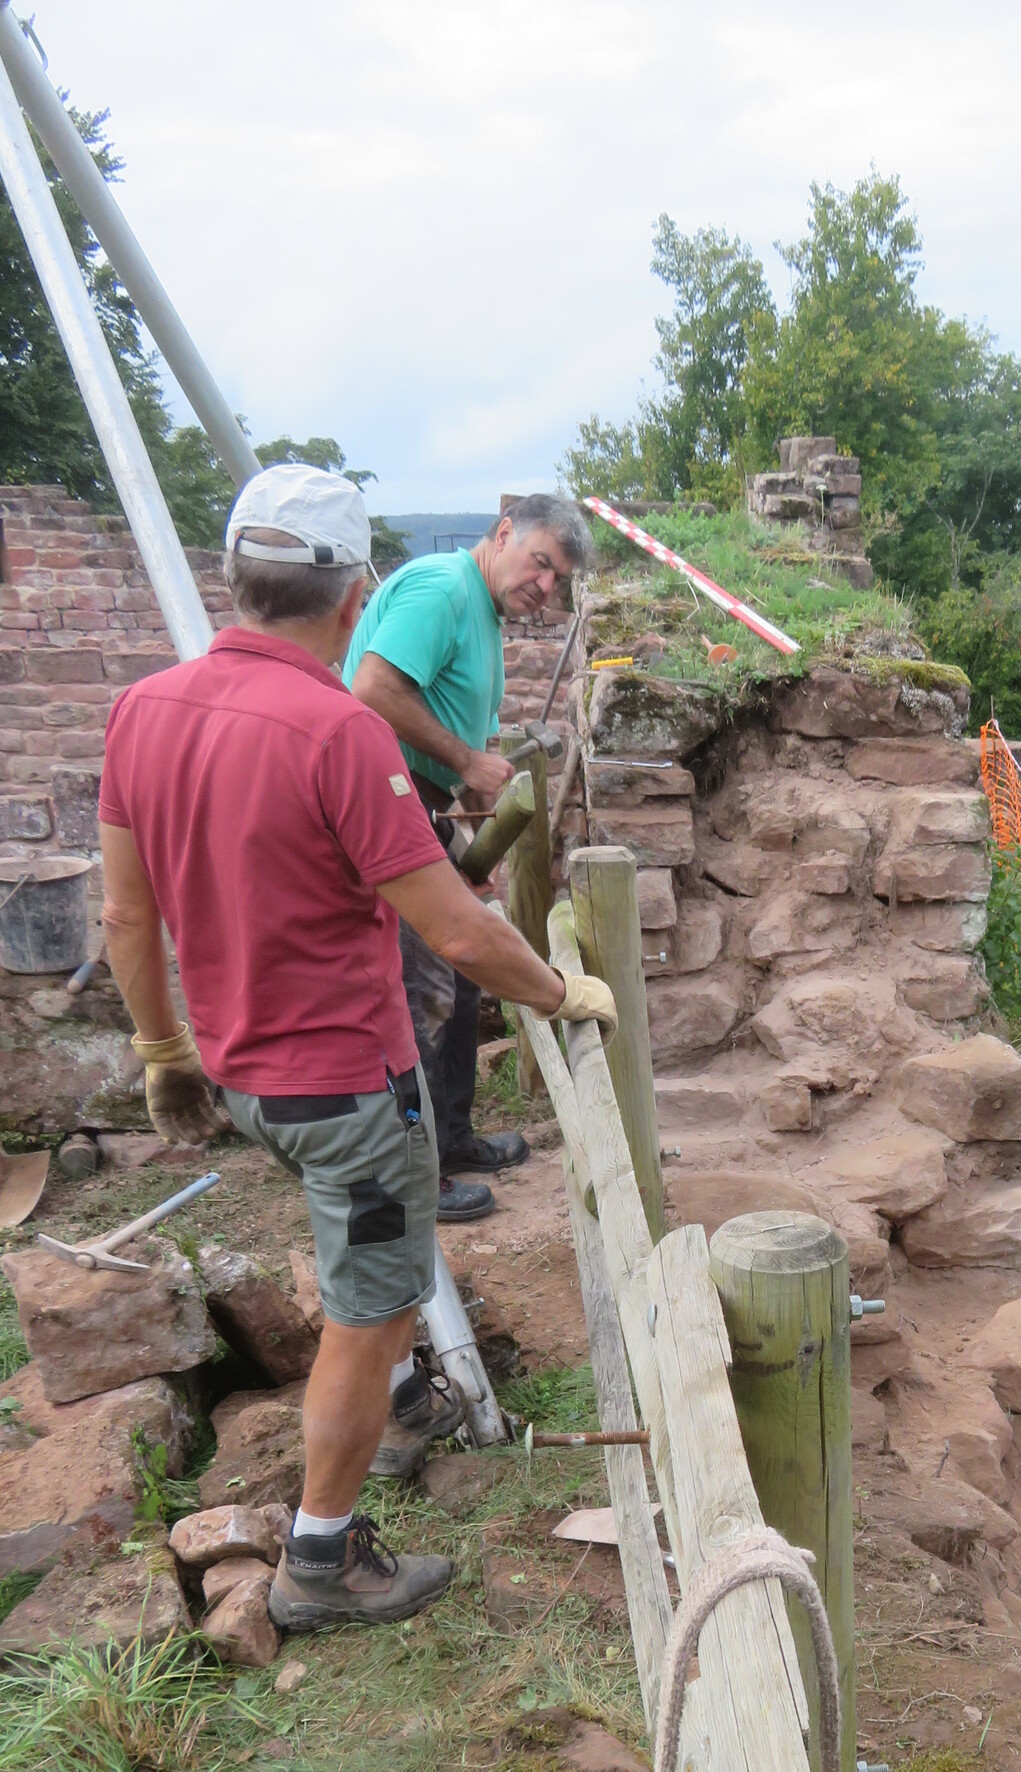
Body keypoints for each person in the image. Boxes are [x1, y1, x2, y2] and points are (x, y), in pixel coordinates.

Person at [96, 463, 615, 1632]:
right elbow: (455, 930)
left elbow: (127, 914)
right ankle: (321, 1561)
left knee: (363, 1268)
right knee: (369, 1308)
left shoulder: (144, 709)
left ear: (236, 579)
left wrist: (162, 1051)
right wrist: (559, 991)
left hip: (240, 1073)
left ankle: (401, 1396)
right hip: (344, 1085)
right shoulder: (338, 732)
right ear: (352, 598)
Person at [345, 493, 591, 1222]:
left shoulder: (482, 617)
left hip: (421, 806)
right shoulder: (444, 589)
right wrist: (464, 762)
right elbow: (373, 688)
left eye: (558, 579)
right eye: (540, 562)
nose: (544, 585)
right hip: (382, 802)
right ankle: (411, 1177)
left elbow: (463, 747)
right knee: (418, 995)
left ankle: (449, 1139)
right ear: (504, 532)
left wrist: (473, 841)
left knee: (459, 978)